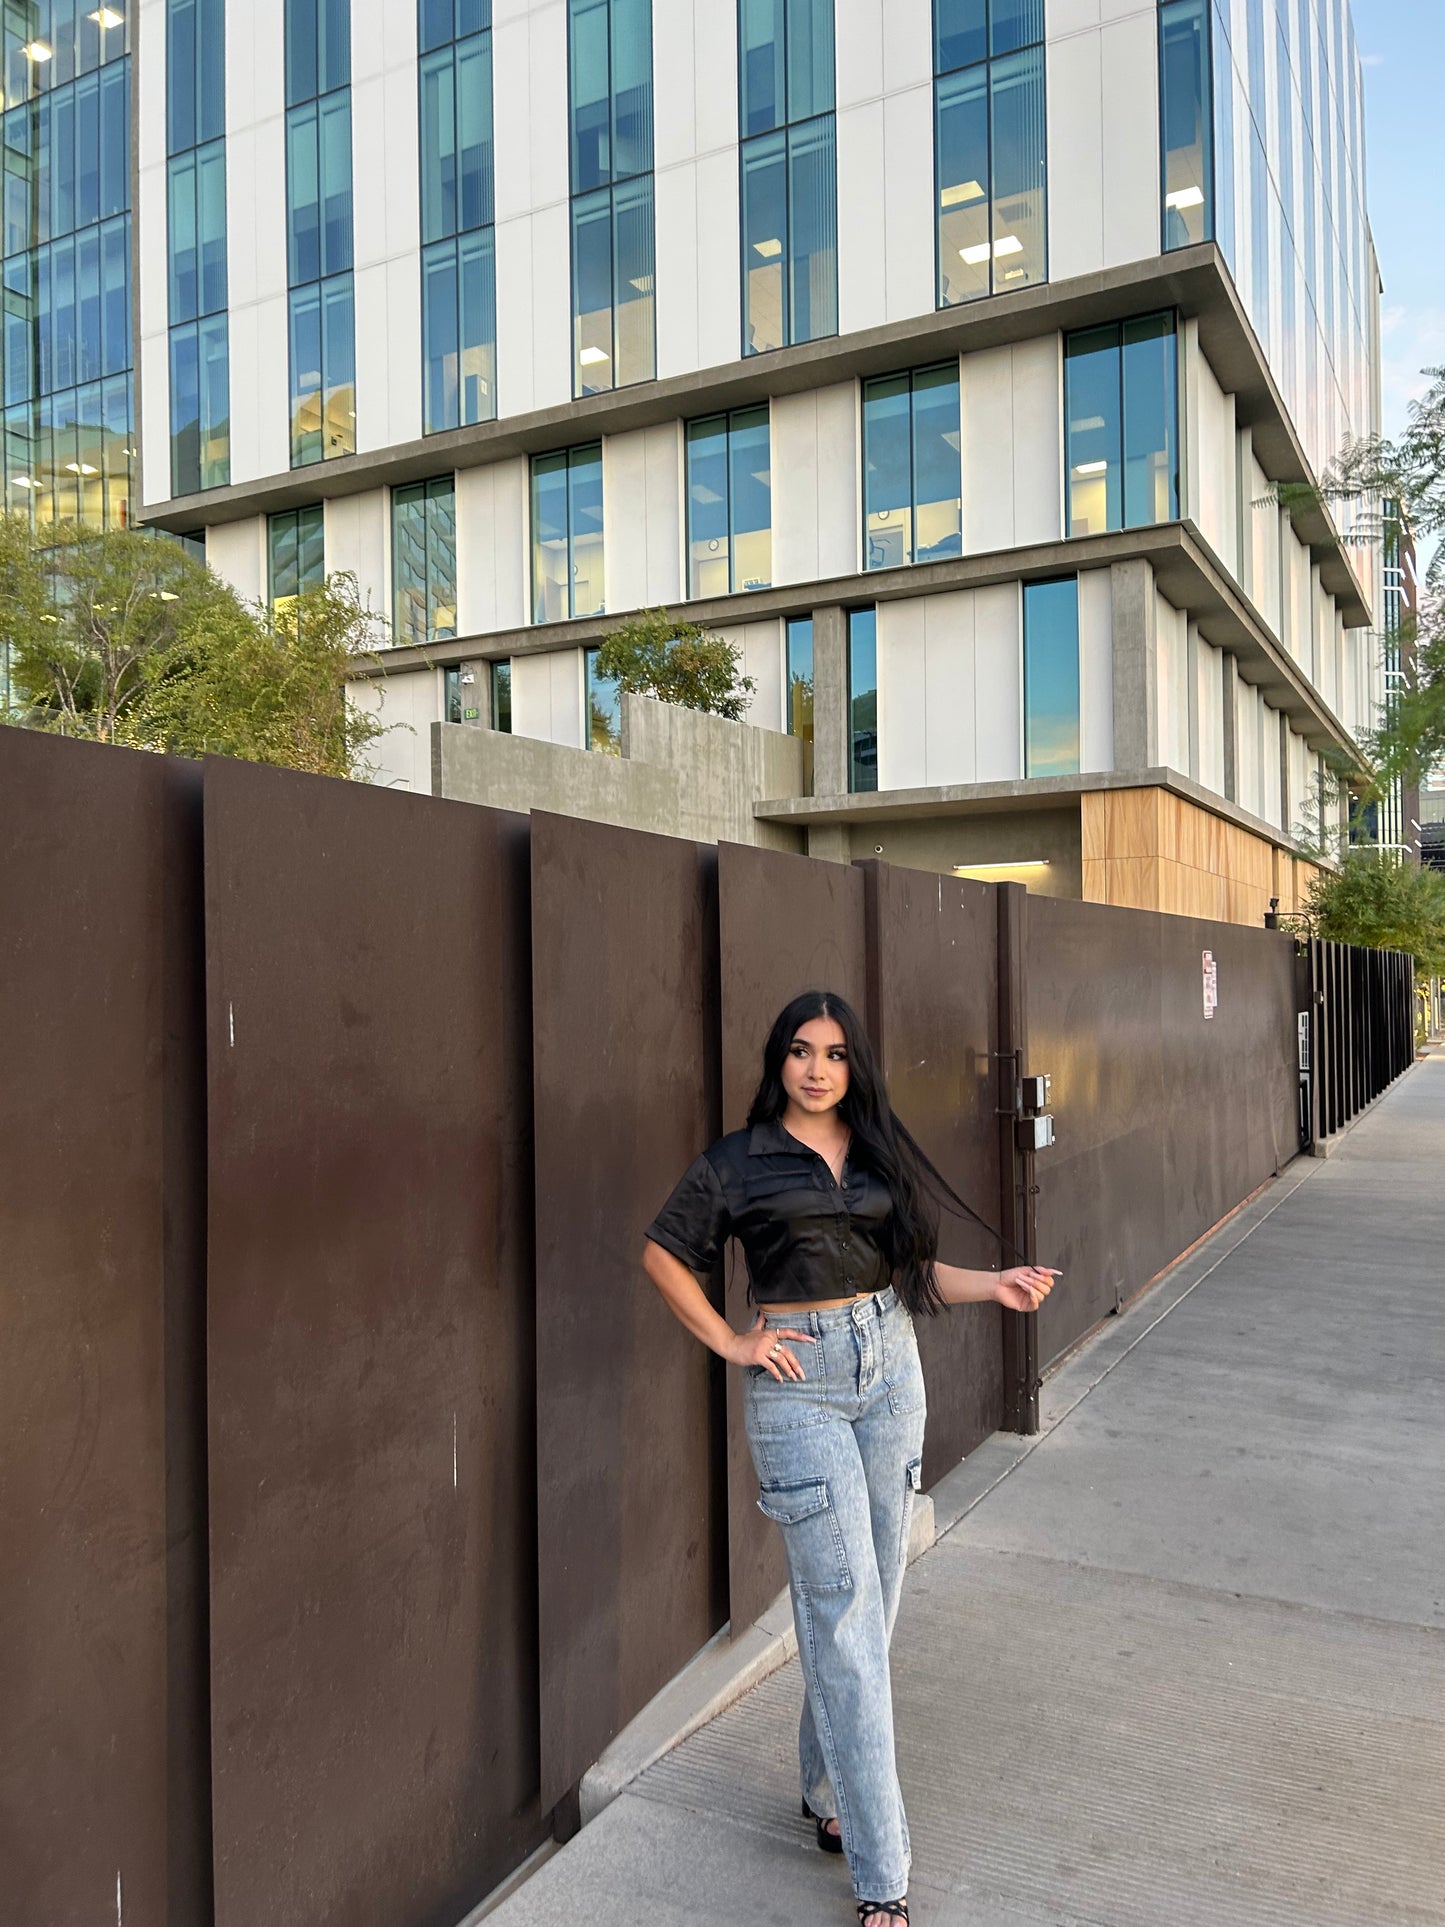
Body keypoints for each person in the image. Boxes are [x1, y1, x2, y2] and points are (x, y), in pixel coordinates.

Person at [642, 989, 1057, 1927]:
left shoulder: (876, 1151)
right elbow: (663, 1253)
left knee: (875, 1599)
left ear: (852, 1063)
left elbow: (912, 1273)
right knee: (843, 1622)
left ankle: (824, 1788)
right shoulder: (737, 1162)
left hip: (890, 1370)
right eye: (799, 1050)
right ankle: (883, 1877)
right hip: (800, 1386)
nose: (816, 1067)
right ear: (776, 1061)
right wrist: (731, 1341)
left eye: (832, 1052)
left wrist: (996, 1283)